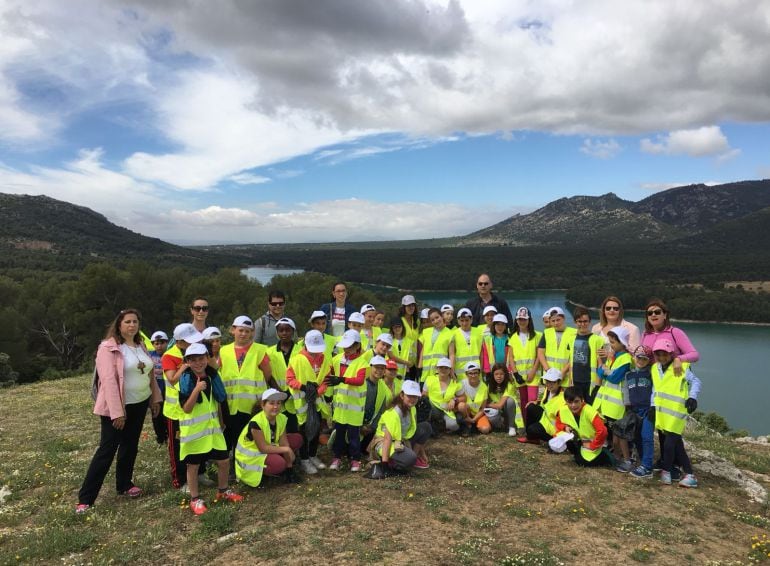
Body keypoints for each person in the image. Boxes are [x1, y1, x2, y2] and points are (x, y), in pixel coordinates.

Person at [76, 309, 163, 513]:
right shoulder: (108, 348)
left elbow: (149, 374)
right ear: (119, 325)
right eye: (127, 322)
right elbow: (108, 382)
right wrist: (117, 412)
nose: (131, 325)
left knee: (130, 445)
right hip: (118, 408)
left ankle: (124, 484)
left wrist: (155, 399)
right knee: (107, 450)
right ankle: (86, 499)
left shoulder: (141, 345)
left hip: (140, 403)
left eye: (135, 322)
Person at [178, 343, 243, 515]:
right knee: (193, 466)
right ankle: (195, 499)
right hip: (194, 431)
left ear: (207, 359)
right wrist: (197, 390)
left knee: (223, 461)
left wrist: (222, 421)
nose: (198, 363)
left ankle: (223, 491)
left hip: (213, 429)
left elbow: (219, 400)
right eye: (193, 360)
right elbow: (187, 408)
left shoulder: (213, 376)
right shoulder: (185, 380)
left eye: (201, 359)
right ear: (187, 362)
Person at [218, 315, 275, 455]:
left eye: (247, 331)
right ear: (233, 330)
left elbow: (268, 375)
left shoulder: (260, 350)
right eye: (241, 330)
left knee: (249, 439)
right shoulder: (224, 350)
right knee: (230, 438)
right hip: (230, 405)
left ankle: (247, 468)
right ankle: (232, 467)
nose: (244, 334)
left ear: (252, 333)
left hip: (252, 405)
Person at [649, 338, 701, 487]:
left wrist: (692, 397)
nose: (662, 358)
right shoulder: (654, 369)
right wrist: (652, 406)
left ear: (671, 354)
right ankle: (690, 475)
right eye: (658, 355)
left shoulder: (681, 367)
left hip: (677, 413)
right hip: (662, 413)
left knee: (669, 445)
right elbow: (655, 389)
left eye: (664, 354)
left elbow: (696, 382)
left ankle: (667, 471)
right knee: (676, 445)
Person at [162, 322, 205, 490]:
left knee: (198, 440)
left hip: (194, 406)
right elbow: (172, 379)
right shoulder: (169, 356)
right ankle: (180, 480)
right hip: (176, 411)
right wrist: (185, 366)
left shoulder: (195, 351)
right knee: (178, 446)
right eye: (188, 341)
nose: (193, 343)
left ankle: (200, 473)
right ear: (179, 341)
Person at [286, 329, 333, 475]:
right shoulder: (297, 359)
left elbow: (327, 377)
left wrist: (320, 390)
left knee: (316, 429)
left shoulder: (325, 358)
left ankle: (313, 455)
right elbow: (289, 379)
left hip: (317, 403)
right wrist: (303, 387)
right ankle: (305, 459)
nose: (315, 353)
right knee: (304, 432)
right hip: (303, 404)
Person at [235, 388, 304, 486]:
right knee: (279, 464)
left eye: (279, 403)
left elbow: (284, 442)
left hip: (268, 447)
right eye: (271, 403)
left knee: (297, 439)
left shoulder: (281, 418)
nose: (276, 407)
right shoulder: (256, 423)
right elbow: (263, 448)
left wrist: (289, 468)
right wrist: (287, 450)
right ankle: (264, 474)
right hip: (252, 456)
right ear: (263, 405)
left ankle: (285, 470)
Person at [330, 330, 370, 472]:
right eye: (344, 346)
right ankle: (337, 457)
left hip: (354, 408)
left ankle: (355, 459)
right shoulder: (336, 359)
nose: (346, 349)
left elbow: (359, 381)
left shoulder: (363, 363)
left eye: (350, 346)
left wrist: (341, 379)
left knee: (354, 437)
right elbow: (328, 375)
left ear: (357, 345)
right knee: (339, 435)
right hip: (340, 407)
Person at [368, 380, 431, 471]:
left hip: (401, 440)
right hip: (383, 443)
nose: (413, 399)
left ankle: (412, 457)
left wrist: (422, 453)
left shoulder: (412, 409)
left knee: (426, 427)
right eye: (409, 396)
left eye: (415, 397)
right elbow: (387, 439)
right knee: (410, 458)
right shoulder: (393, 413)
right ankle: (389, 461)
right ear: (402, 395)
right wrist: (384, 464)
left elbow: (412, 430)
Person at [594, 327, 633, 472]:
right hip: (610, 403)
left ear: (622, 343)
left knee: (620, 435)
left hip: (619, 404)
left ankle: (627, 460)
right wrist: (605, 370)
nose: (611, 345)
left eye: (614, 343)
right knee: (615, 434)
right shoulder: (614, 356)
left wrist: (604, 370)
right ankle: (616, 458)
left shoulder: (626, 359)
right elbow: (601, 371)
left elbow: (615, 378)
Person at [554, 386, 612, 467]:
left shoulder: (589, 412)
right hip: (580, 441)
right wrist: (565, 427)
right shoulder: (563, 410)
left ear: (582, 400)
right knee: (561, 437)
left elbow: (602, 431)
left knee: (583, 463)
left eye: (576, 402)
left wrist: (592, 446)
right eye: (570, 402)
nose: (573, 405)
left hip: (596, 444)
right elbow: (558, 424)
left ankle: (606, 455)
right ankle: (579, 453)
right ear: (566, 402)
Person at [641, 298, 700, 377]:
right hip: (649, 379)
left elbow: (694, 355)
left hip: (670, 378)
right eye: (650, 313)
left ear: (665, 315)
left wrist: (678, 359)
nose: (653, 315)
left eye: (657, 312)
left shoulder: (675, 332)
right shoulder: (645, 334)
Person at [267, 317, 302, 433]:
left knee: (296, 429)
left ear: (293, 331)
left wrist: (290, 392)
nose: (284, 333)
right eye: (281, 330)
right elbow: (268, 374)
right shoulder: (270, 352)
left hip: (296, 397)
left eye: (288, 330)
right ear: (277, 332)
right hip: (277, 398)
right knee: (279, 430)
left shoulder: (301, 351)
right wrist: (280, 393)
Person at [626, 346, 655, 479]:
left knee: (647, 437)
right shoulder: (629, 374)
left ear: (649, 360)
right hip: (634, 410)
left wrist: (653, 407)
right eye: (639, 357)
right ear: (634, 357)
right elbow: (626, 392)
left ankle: (647, 467)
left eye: (644, 359)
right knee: (636, 437)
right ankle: (643, 461)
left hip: (648, 410)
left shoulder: (651, 374)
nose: (641, 361)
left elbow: (656, 390)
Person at [508, 307, 542, 419]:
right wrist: (516, 374)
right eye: (519, 319)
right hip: (520, 376)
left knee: (532, 400)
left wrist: (533, 372)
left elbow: (538, 356)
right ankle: (525, 423)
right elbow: (511, 358)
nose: (522, 322)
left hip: (533, 375)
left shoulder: (537, 336)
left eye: (524, 319)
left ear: (529, 320)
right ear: (516, 320)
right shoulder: (513, 337)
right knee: (523, 400)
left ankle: (532, 423)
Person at [519, 368, 565, 444]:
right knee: (530, 406)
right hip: (545, 418)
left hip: (553, 427)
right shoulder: (548, 390)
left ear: (559, 383)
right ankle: (531, 438)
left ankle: (554, 440)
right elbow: (546, 403)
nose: (549, 384)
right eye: (547, 381)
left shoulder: (563, 398)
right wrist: (536, 402)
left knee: (532, 429)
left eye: (552, 382)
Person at [569, 307, 605, 404]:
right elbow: (570, 361)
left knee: (590, 408)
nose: (582, 324)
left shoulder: (597, 339)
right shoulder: (571, 339)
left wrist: (598, 384)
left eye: (585, 321)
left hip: (590, 381)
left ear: (589, 322)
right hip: (575, 380)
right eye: (579, 321)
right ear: (575, 322)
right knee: (577, 407)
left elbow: (600, 363)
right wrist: (570, 380)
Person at [537, 307, 577, 387]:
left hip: (566, 377)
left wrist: (562, 373)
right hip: (549, 377)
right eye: (553, 321)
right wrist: (548, 370)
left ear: (564, 318)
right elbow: (540, 353)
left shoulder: (574, 333)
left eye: (558, 320)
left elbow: (574, 356)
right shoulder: (547, 333)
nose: (556, 323)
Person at [423, 357, 463, 434]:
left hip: (447, 410)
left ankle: (441, 425)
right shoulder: (429, 379)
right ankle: (431, 424)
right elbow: (424, 396)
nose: (443, 370)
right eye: (441, 367)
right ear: (437, 369)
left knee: (454, 426)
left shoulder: (455, 383)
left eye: (446, 368)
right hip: (433, 408)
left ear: (450, 370)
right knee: (426, 403)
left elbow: (463, 398)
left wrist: (454, 400)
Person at [485, 362, 524, 436]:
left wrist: (487, 404)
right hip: (497, 411)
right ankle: (501, 425)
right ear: (492, 375)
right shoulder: (489, 384)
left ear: (505, 374)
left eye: (501, 374)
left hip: (507, 410)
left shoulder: (509, 384)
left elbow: (500, 405)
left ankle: (511, 426)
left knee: (510, 401)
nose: (499, 376)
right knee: (492, 418)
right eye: (496, 374)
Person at [418, 308, 454, 383]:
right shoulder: (426, 332)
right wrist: (419, 366)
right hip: (425, 372)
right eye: (432, 320)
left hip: (440, 371)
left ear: (442, 316)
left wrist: (451, 370)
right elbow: (423, 350)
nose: (436, 321)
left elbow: (451, 354)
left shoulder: (450, 333)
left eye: (437, 317)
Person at [457, 361, 491, 435]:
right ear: (466, 374)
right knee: (461, 405)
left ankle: (473, 424)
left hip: (478, 413)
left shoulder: (484, 387)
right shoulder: (461, 384)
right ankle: (466, 424)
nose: (473, 375)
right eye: (470, 373)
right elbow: (458, 401)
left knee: (485, 430)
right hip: (466, 412)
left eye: (475, 373)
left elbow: (482, 408)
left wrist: (473, 419)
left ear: (479, 373)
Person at [449, 307, 483, 382]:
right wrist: (452, 370)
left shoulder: (479, 332)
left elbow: (481, 353)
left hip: (476, 371)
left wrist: (482, 370)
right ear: (458, 321)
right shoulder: (454, 334)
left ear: (471, 320)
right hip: (461, 372)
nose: (464, 323)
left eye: (467, 320)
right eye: (462, 320)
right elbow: (452, 354)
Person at [149, 330, 169, 444]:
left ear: (166, 343)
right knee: (156, 414)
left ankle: (168, 435)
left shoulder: (170, 354)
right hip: (154, 390)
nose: (159, 346)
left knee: (166, 414)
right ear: (153, 344)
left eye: (162, 343)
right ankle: (160, 437)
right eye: (156, 343)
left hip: (167, 389)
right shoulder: (149, 355)